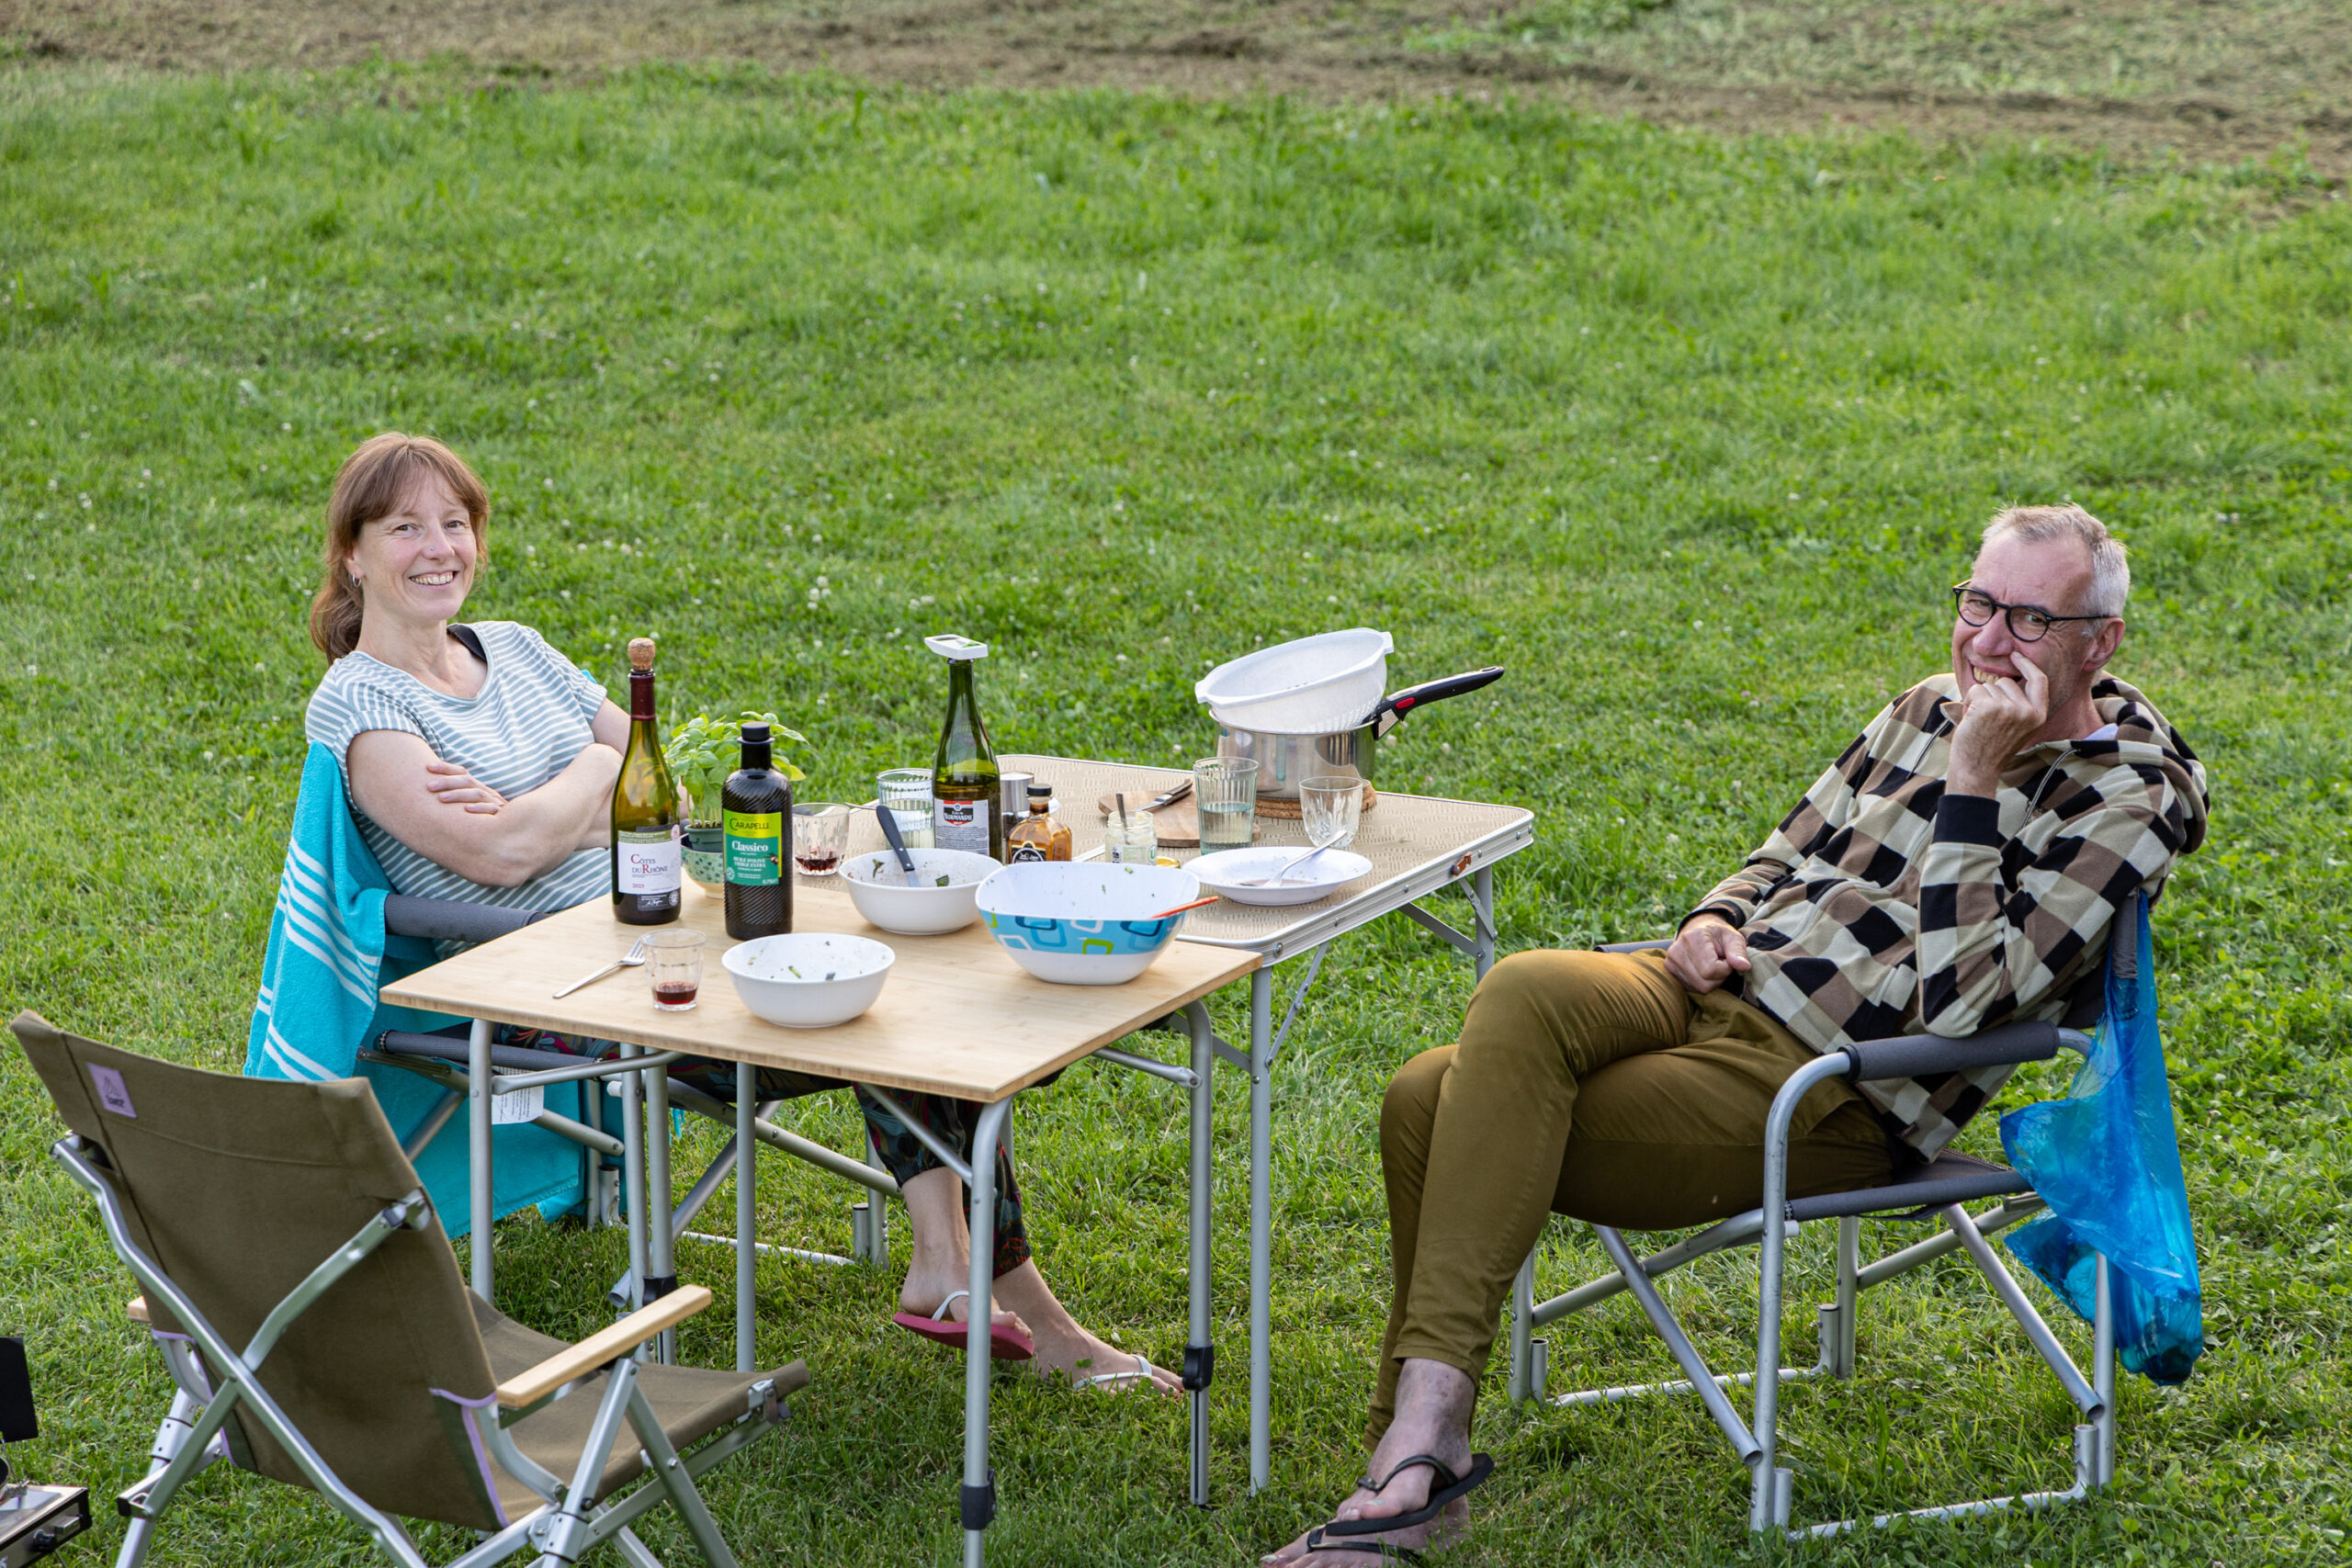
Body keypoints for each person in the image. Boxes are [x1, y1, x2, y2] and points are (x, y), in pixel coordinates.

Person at [1267, 504, 2210, 1563]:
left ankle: (1411, 1460)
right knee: (1524, 988)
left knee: (1429, 1105)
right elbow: (1782, 853)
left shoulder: (2130, 798)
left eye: (2028, 619)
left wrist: (1975, 780)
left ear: (2099, 641)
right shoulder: (1923, 705)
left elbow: (1960, 1006)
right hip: (1713, 986)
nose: (1987, 641)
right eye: (1977, 604)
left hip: (1834, 1087)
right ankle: (1424, 1449)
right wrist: (1712, 917)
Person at [303, 431, 1177, 1395]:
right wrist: (594, 777)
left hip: (664, 945)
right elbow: (498, 856)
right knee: (866, 1004)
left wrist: (560, 809)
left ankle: (949, 1267)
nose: (439, 548)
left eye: (455, 523)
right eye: (405, 528)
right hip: (551, 992)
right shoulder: (361, 703)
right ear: (352, 553)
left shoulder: (515, 649)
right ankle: (1015, 1307)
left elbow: (669, 793)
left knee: (892, 979)